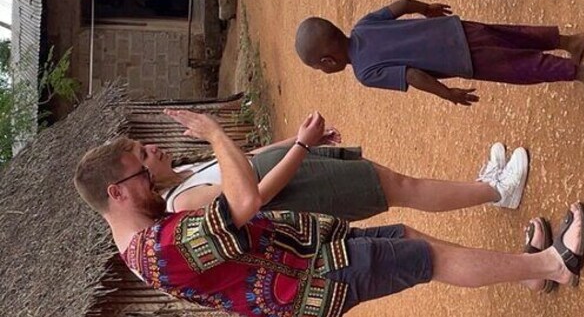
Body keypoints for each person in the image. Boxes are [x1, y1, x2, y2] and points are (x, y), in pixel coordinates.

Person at [73, 109, 584, 317]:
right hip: (315, 280)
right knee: (428, 259)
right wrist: (213, 134)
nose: (152, 180)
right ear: (116, 193)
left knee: (410, 241)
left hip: (313, 261)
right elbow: (244, 202)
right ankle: (553, 264)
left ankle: (527, 270)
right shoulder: (158, 248)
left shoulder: (145, 245)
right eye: (141, 174)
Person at [141, 123, 529, 215]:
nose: (152, 147)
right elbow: (253, 199)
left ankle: (485, 186)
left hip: (301, 166)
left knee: (394, 180)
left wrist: (299, 141)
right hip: (305, 190)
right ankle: (496, 191)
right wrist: (301, 148)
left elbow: (250, 157)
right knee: (399, 187)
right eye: (143, 154)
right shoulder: (183, 201)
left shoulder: (186, 172)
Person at [295, 0, 584, 110]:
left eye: (319, 68)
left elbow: (413, 75)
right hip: (454, 29)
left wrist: (448, 94)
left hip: (461, 60)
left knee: (520, 67)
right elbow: (402, 4)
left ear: (327, 62)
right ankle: (570, 42)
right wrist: (428, 9)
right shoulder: (362, 25)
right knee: (511, 36)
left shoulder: (365, 73)